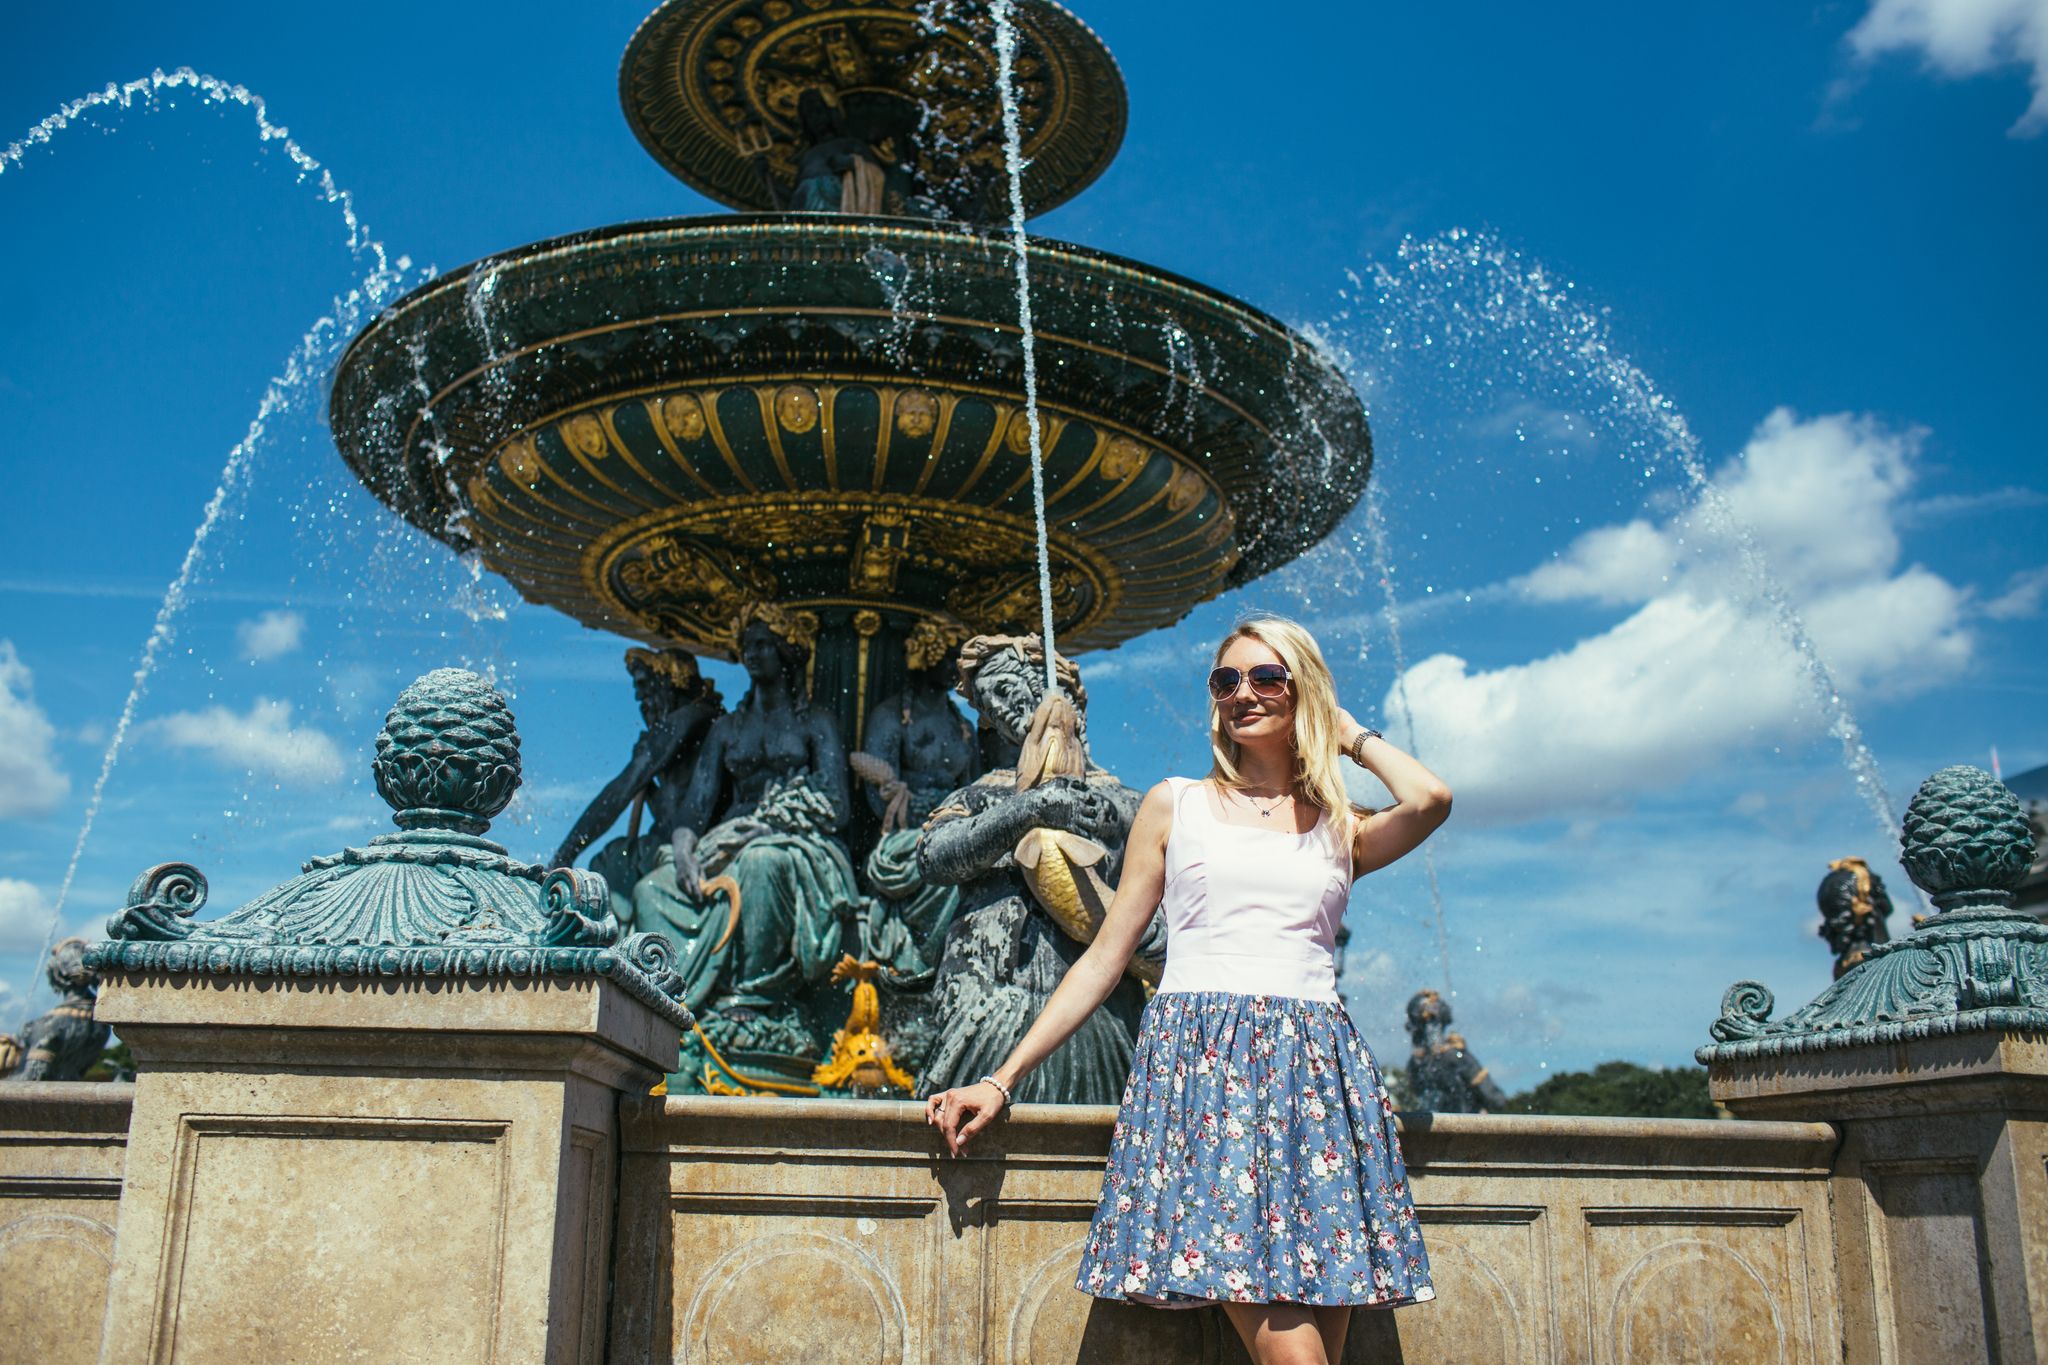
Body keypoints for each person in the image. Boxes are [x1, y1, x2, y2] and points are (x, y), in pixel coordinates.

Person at [925, 615, 1452, 1365]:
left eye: (1267, 677)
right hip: (1206, 1071)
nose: (1244, 692)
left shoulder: (1339, 823)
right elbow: (1106, 956)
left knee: (1319, 1352)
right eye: (1226, 679)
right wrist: (1002, 1078)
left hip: (1316, 1076)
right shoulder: (1178, 803)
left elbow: (1431, 797)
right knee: (1295, 1357)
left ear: (1303, 689)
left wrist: (1348, 734)